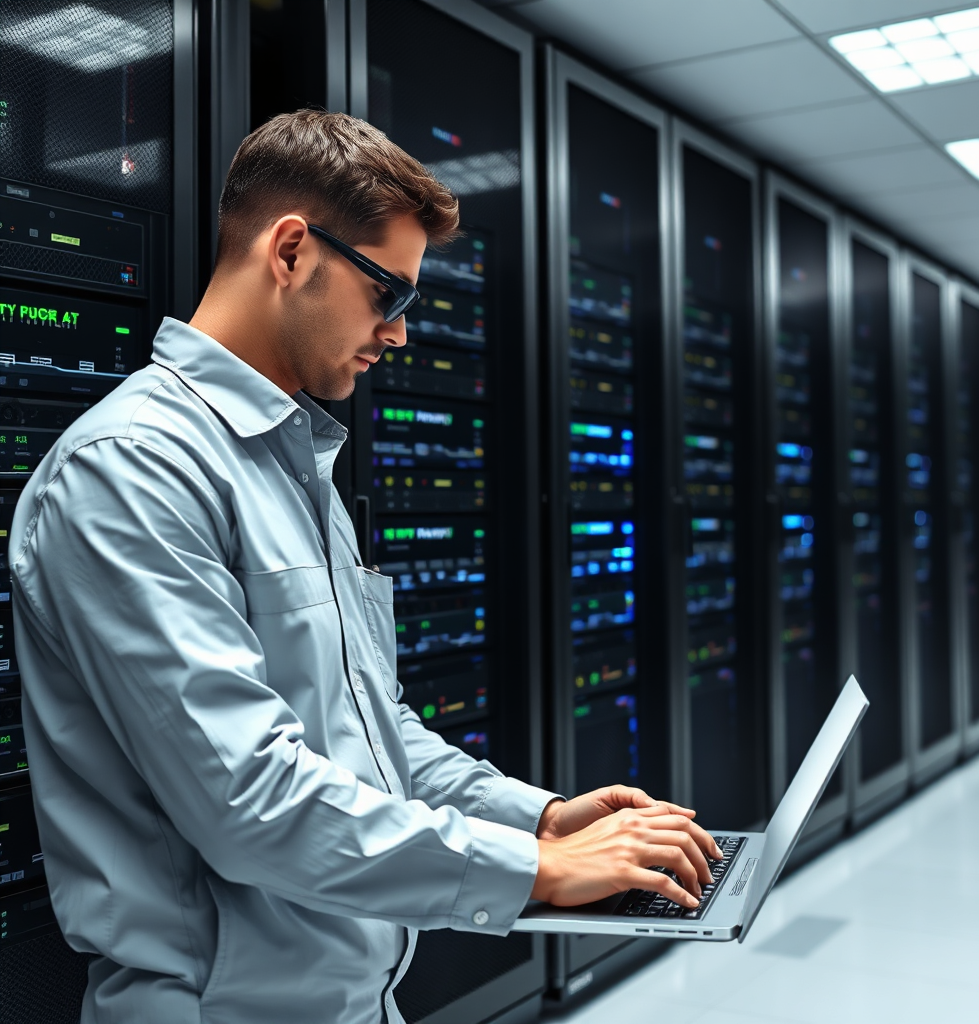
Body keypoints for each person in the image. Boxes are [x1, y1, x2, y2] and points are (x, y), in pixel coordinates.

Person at [10, 110, 720, 1024]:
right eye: (390, 293)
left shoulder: (290, 462)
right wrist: (536, 873)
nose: (399, 332)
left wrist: (536, 819)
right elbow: (249, 799)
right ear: (294, 251)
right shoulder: (133, 469)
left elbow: (368, 732)